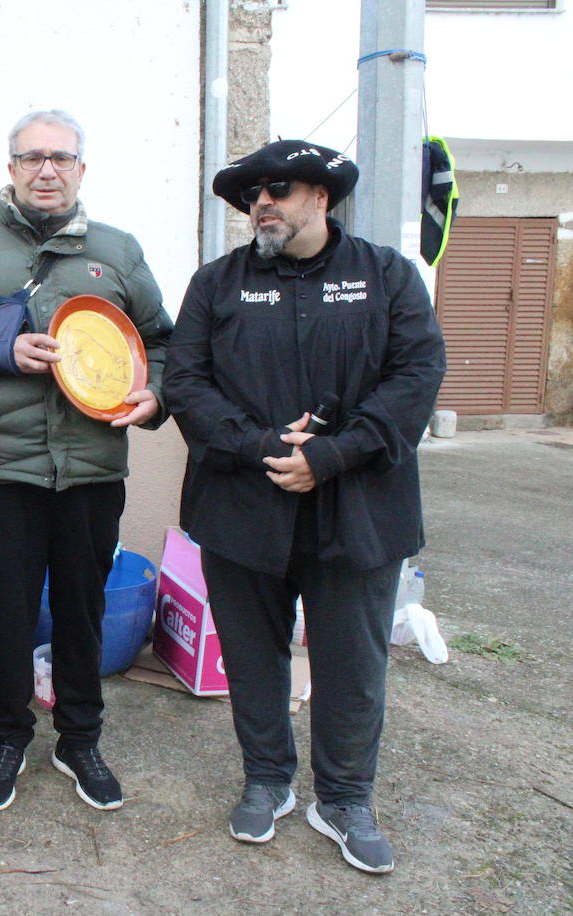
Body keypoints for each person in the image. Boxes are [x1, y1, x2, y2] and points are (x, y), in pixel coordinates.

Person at [163, 140, 446, 874]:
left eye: (279, 188)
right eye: (252, 192)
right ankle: (266, 778)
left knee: (353, 662)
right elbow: (186, 384)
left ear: (322, 197)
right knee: (253, 656)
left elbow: (417, 374)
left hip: (360, 508)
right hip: (241, 506)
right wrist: (261, 445)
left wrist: (331, 455)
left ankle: (346, 797)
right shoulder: (217, 283)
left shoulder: (386, 275)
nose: (262, 201)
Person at [0, 111, 174, 812]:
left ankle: (79, 739)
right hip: (5, 471)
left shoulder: (117, 252)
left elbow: (162, 341)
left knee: (81, 608)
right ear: (10, 168)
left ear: (81, 169)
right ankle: (8, 737)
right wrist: (5, 351)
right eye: (32, 157)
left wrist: (154, 395)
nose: (46, 170)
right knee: (8, 612)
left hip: (93, 470)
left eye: (60, 158)